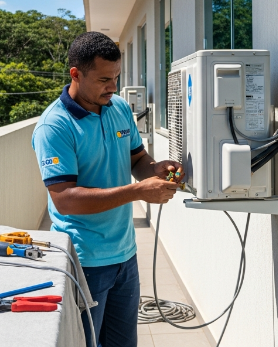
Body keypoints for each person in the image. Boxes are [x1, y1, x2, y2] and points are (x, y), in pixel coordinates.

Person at [31, 32, 184, 347]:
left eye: (116, 77)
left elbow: (137, 157)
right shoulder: (55, 126)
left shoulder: (118, 109)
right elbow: (65, 200)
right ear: (76, 74)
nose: (113, 87)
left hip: (124, 255)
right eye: (104, 79)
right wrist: (138, 192)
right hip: (85, 260)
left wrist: (153, 170)